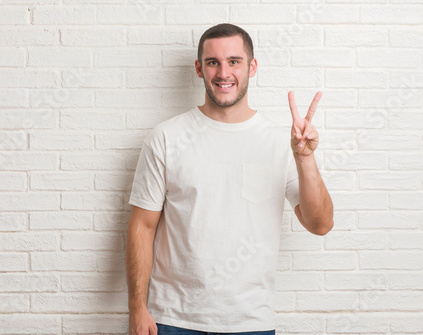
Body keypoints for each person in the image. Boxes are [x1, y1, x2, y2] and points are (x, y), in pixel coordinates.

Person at [126, 23, 334, 335]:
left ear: (252, 67)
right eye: (213, 62)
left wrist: (304, 157)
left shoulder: (281, 142)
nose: (224, 73)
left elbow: (320, 224)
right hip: (171, 320)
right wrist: (137, 309)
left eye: (234, 61)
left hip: (250, 322)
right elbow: (142, 226)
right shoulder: (166, 138)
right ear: (199, 68)